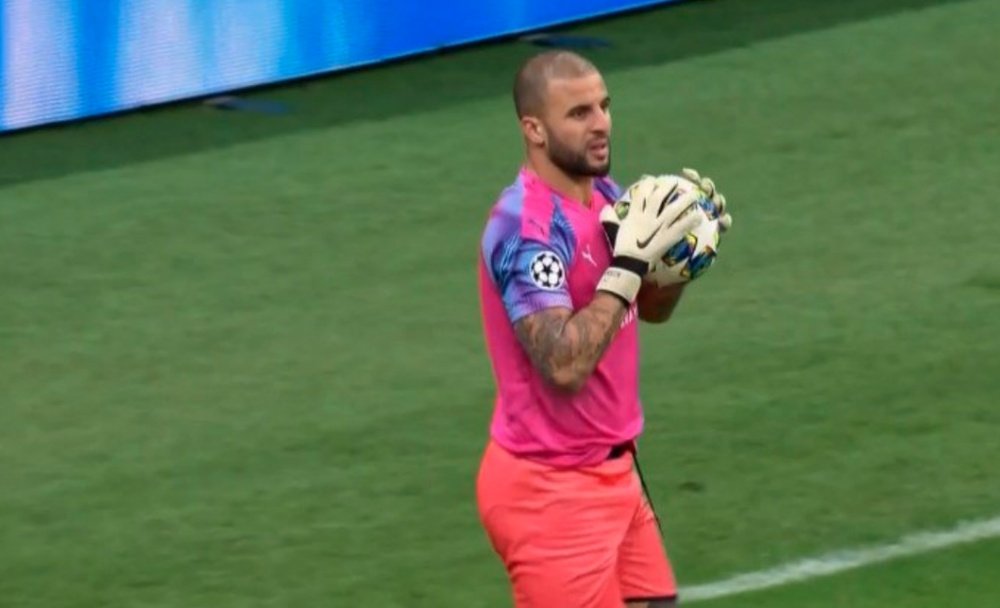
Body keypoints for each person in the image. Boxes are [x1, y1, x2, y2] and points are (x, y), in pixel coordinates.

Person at [475, 49, 732, 608]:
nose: (601, 124)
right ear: (534, 129)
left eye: (604, 106)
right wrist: (630, 266)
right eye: (579, 113)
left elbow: (651, 309)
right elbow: (564, 365)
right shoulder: (527, 230)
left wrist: (682, 259)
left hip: (614, 470)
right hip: (551, 491)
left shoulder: (614, 201)